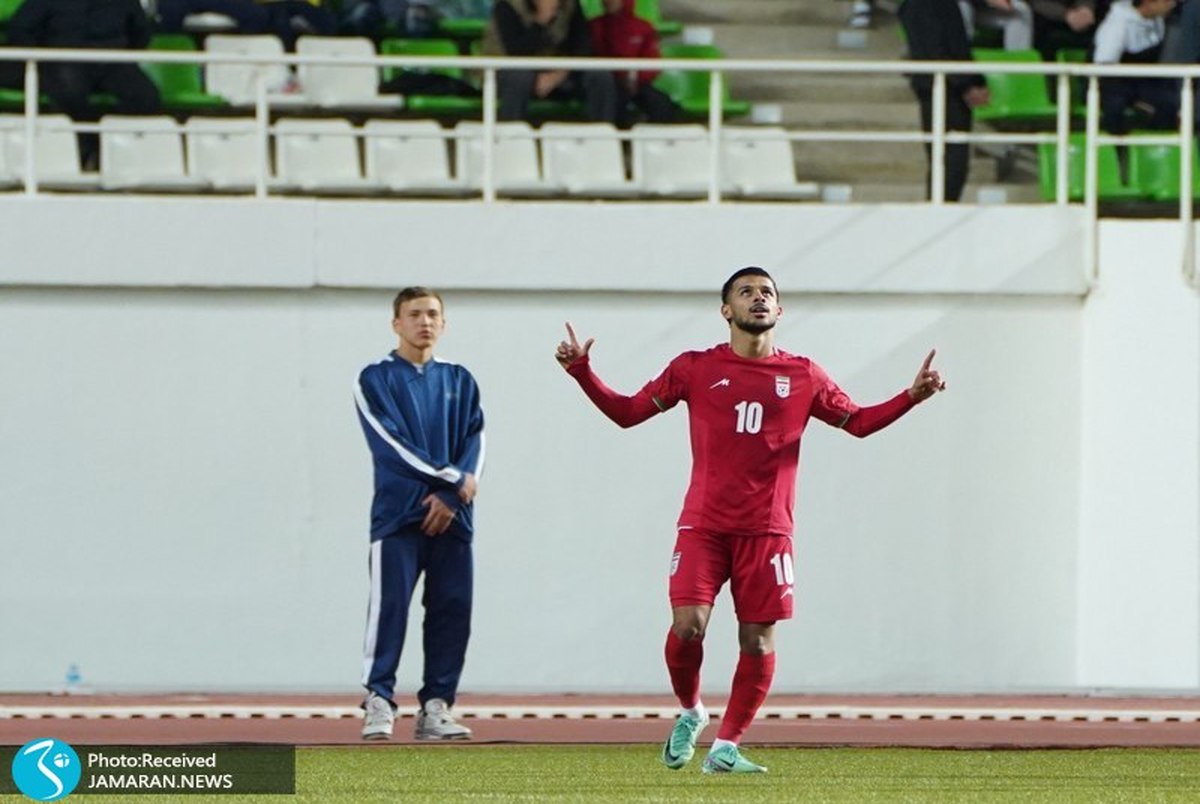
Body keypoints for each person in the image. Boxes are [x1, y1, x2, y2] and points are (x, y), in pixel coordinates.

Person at [555, 266, 946, 774]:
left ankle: (726, 746)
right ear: (726, 311)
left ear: (779, 311)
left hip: (768, 531)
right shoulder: (693, 367)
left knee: (757, 640)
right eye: (746, 292)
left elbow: (859, 423)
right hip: (704, 524)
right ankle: (691, 711)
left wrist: (910, 397)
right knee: (688, 626)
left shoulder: (805, 375)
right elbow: (628, 413)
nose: (758, 299)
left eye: (767, 293)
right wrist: (582, 371)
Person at [355, 287, 486, 742]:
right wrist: (450, 480)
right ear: (396, 323)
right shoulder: (374, 379)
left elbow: (476, 443)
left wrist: (452, 499)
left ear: (444, 324)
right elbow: (389, 446)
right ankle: (378, 701)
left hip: (453, 519)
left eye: (432, 314)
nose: (424, 322)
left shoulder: (461, 380)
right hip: (398, 518)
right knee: (390, 609)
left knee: (452, 611)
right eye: (414, 314)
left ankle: (436, 708)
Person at [6, 0, 161, 170]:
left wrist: (122, 54)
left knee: (145, 96)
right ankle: (86, 149)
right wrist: (42, 58)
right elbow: (20, 28)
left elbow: (140, 34)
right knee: (68, 92)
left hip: (113, 61)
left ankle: (122, 158)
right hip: (64, 60)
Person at [898, 0, 991, 202]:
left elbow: (958, 47)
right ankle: (939, 212)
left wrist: (975, 81)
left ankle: (941, 209)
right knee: (949, 161)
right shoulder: (921, 6)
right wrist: (968, 84)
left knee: (952, 161)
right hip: (940, 89)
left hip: (951, 88)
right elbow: (934, 51)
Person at [481, 0, 618, 123]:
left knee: (600, 76)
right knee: (520, 78)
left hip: (558, 74)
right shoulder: (507, 5)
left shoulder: (570, 5)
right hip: (509, 72)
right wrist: (541, 20)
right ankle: (511, 138)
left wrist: (557, 75)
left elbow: (583, 48)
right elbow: (516, 52)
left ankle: (602, 137)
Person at [588, 0, 679, 126]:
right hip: (607, 84)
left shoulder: (643, 28)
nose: (608, 2)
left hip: (637, 83)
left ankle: (656, 142)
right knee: (614, 100)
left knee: (661, 103)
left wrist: (634, 78)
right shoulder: (594, 27)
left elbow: (652, 62)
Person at [1092, 0, 1178, 134]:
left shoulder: (1158, 22)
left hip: (1144, 83)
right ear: (1147, 2)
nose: (1172, 4)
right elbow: (1104, 65)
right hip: (1114, 86)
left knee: (1172, 100)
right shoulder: (1117, 24)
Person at [958, 0, 1036, 50]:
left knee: (1022, 10)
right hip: (959, 8)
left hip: (986, 9)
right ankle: (959, 62)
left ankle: (1018, 67)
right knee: (962, 6)